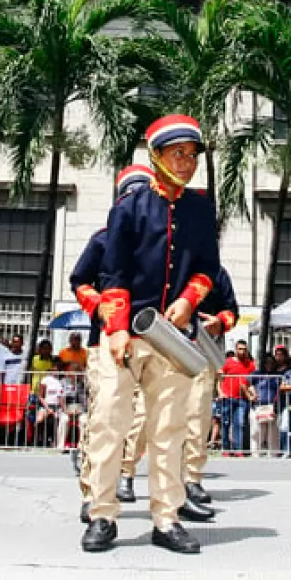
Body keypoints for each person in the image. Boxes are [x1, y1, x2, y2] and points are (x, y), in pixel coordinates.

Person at [81, 114, 221, 555]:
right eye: (177, 153)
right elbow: (113, 271)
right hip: (125, 333)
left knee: (169, 428)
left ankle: (167, 518)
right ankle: (102, 513)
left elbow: (208, 268)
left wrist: (190, 299)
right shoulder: (129, 207)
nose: (187, 162)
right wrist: (117, 329)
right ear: (156, 156)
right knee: (109, 423)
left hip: (172, 336)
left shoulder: (201, 208)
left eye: (192, 154)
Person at [69, 164, 153, 524]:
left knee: (144, 417)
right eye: (131, 194)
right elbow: (80, 281)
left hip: (151, 342)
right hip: (106, 340)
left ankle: (126, 474)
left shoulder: (161, 242)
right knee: (105, 416)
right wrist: (100, 306)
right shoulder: (102, 239)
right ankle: (92, 491)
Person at [182, 266, 238, 521]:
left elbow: (230, 309)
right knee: (144, 418)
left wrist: (221, 322)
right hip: (161, 346)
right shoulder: (164, 256)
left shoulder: (217, 273)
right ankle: (125, 472)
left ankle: (191, 479)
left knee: (198, 417)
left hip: (202, 350)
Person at [218, 339, 255, 454]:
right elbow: (219, 378)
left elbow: (251, 382)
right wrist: (220, 392)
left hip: (242, 399)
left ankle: (238, 449)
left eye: (244, 349)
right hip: (227, 397)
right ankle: (226, 449)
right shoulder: (228, 362)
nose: (242, 352)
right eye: (240, 349)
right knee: (225, 423)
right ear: (235, 349)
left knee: (239, 423)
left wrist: (252, 394)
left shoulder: (250, 364)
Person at [249, 355, 281, 457]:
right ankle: (255, 454)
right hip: (258, 407)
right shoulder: (256, 374)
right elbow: (246, 384)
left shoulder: (277, 375)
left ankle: (273, 454)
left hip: (273, 407)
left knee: (273, 433)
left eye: (271, 362)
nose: (269, 364)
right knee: (257, 432)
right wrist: (252, 394)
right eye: (267, 362)